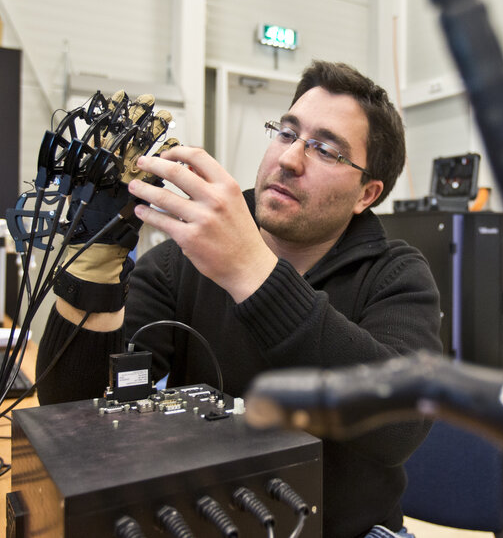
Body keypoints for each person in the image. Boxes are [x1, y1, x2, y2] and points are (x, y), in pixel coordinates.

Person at [36, 60, 443, 538]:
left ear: (366, 194)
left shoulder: (396, 273)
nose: (290, 159)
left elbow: (398, 428)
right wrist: (97, 264)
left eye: (326, 150)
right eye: (286, 133)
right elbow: (74, 410)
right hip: (209, 523)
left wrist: (251, 272)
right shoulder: (180, 262)